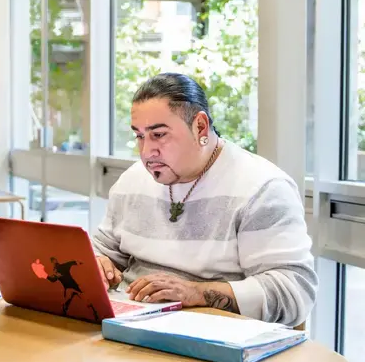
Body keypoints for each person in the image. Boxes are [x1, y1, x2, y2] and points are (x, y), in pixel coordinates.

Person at [93, 73, 318, 327]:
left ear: (200, 126)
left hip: (216, 338)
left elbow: (294, 291)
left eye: (159, 135)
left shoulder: (262, 188)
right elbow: (103, 250)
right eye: (140, 136)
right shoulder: (133, 179)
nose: (146, 152)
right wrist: (98, 265)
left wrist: (196, 293)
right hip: (128, 326)